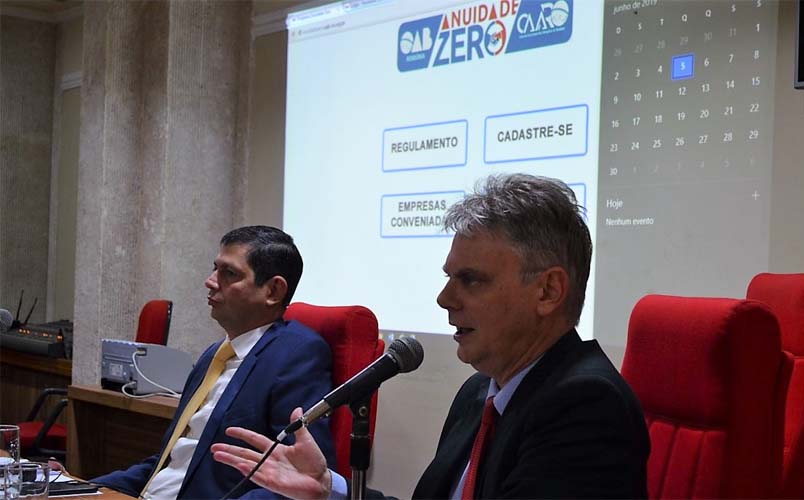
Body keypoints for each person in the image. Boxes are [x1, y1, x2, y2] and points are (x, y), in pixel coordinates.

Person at [211, 175, 650, 499]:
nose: (445, 299)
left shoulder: (586, 404)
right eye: (448, 278)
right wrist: (329, 490)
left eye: (471, 280)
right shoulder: (479, 392)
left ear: (548, 291)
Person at [93, 226, 337, 499]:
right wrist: (75, 486)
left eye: (229, 273)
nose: (210, 282)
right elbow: (174, 462)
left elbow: (302, 483)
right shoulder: (214, 355)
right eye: (215, 269)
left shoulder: (296, 354)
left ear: (273, 290)